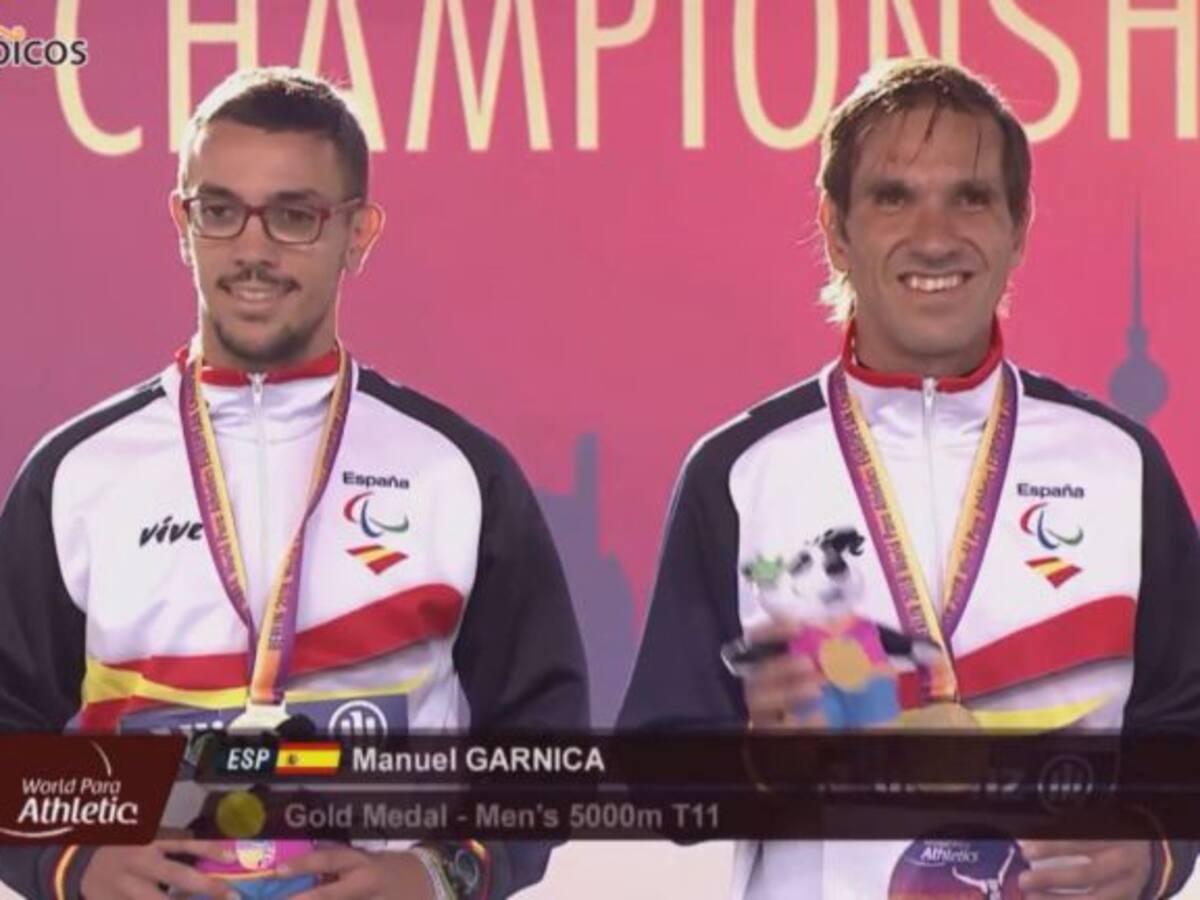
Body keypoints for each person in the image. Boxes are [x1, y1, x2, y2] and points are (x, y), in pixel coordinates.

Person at [0, 67, 588, 899]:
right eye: (219, 210)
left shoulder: (454, 472)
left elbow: (544, 740)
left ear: (359, 233)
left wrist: (435, 874)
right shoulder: (78, 474)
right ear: (182, 223)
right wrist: (72, 862)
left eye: (294, 216)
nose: (252, 250)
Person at [618, 59, 1200, 898]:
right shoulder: (741, 472)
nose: (935, 236)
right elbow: (656, 771)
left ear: (1018, 227)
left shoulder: (1119, 464)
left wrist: (1153, 847)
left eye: (971, 198)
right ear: (836, 230)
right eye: (894, 197)